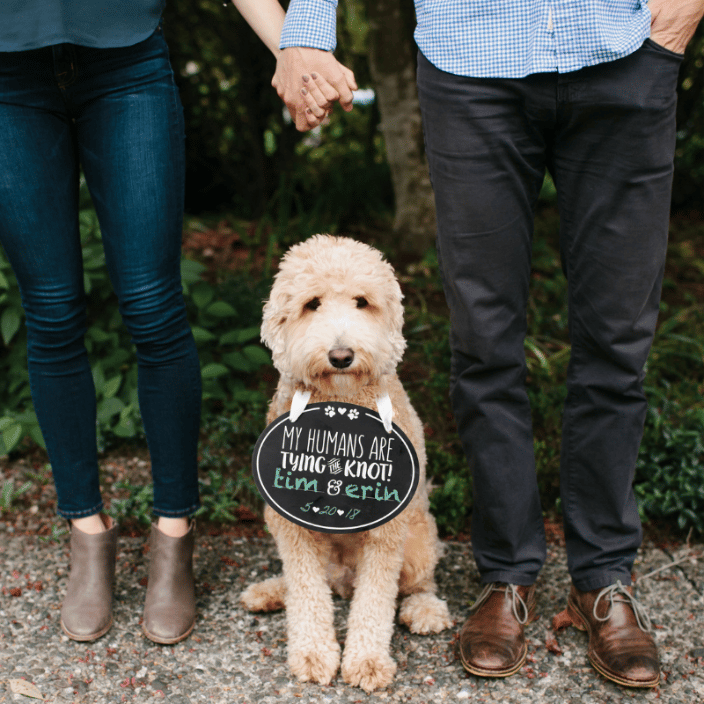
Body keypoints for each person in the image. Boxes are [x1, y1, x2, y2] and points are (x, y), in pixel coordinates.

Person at [273, 0, 704, 688]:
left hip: (625, 51)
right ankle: (506, 574)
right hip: (472, 62)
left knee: (620, 341)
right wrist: (307, 32)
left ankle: (603, 579)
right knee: (484, 340)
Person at [0, 0, 350, 645]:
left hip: (126, 64)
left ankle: (173, 537)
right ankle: (86, 533)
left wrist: (292, 50)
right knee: (48, 310)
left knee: (152, 306)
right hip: (7, 78)